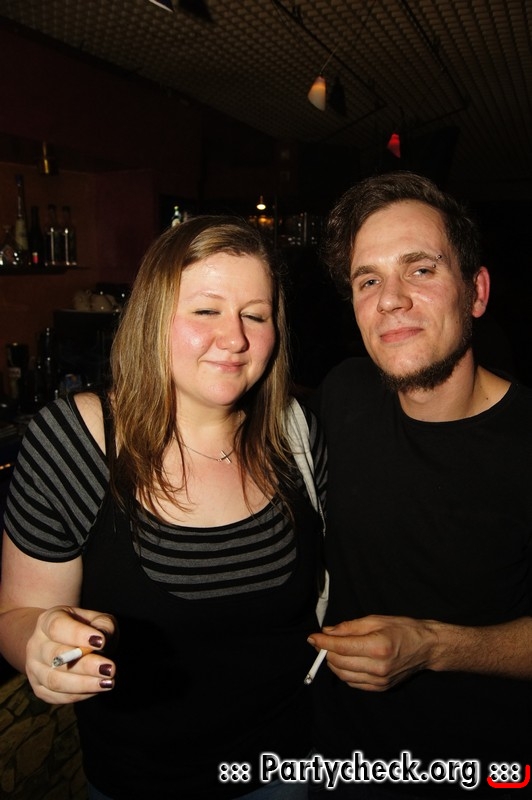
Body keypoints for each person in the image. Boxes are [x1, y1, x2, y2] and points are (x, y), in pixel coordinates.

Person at [0, 215, 326, 800]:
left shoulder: (296, 434)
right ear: (153, 317)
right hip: (140, 784)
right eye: (206, 310)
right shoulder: (76, 441)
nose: (235, 338)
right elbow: (18, 614)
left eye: (255, 315)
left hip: (286, 767)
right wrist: (41, 643)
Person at [307, 172, 532, 798]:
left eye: (421, 270)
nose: (391, 300)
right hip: (338, 762)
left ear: (476, 291)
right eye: (368, 280)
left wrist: (431, 646)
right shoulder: (343, 395)